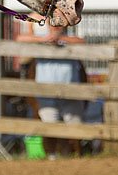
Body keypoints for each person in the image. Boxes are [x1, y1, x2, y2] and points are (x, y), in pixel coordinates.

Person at [15, 22, 86, 159]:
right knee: (49, 126)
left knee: (74, 127)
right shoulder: (42, 39)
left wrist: (61, 39)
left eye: (59, 25)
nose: (56, 27)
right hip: (46, 94)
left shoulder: (70, 40)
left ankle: (75, 156)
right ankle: (51, 157)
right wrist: (44, 39)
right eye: (53, 24)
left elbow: (82, 42)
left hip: (71, 93)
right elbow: (20, 38)